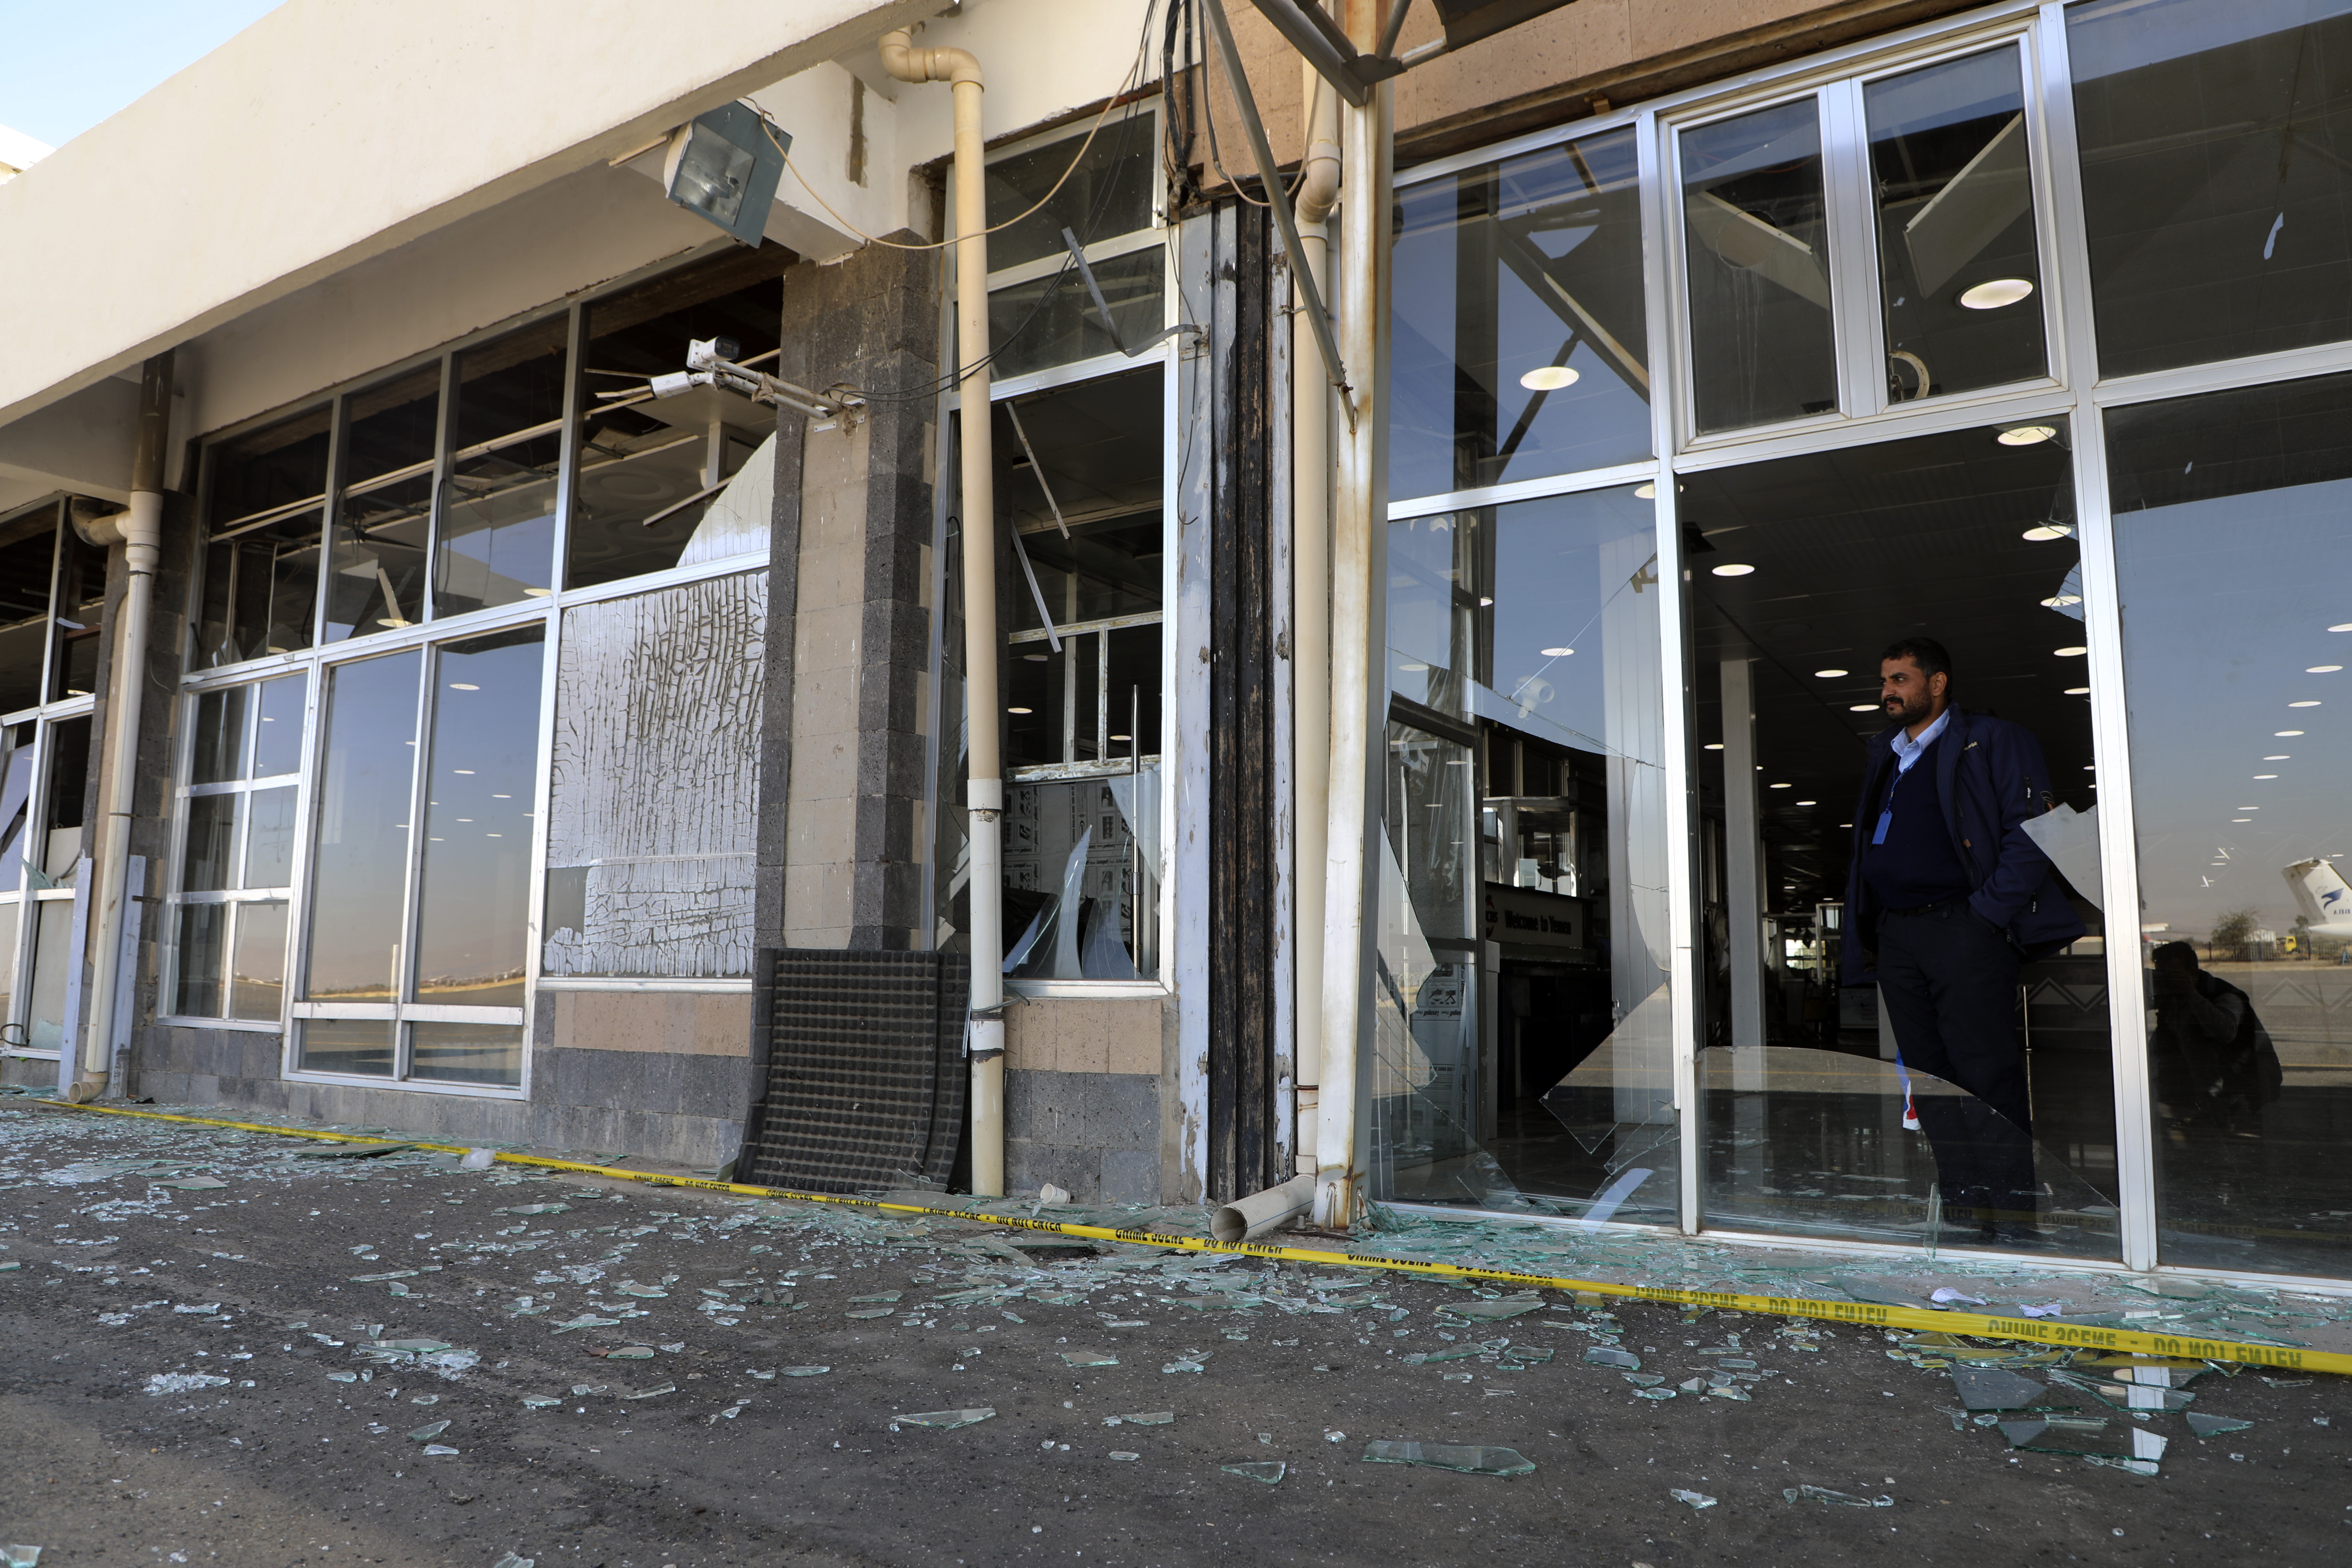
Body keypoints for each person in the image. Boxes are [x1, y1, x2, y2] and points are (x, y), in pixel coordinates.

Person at [1839, 637, 2085, 1240]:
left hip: (1963, 928)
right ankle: (1968, 1214)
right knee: (1929, 1080)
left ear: (1938, 683)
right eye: (1885, 681)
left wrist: (1985, 916)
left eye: (1899, 679)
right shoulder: (1890, 757)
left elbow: (2036, 832)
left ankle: (2016, 1222)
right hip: (1899, 936)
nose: (1887, 692)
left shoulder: (1993, 740)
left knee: (1986, 1076)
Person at [2148, 940, 2281, 1135]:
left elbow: (2225, 1032)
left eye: (2172, 975)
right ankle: (2210, 1112)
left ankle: (2220, 1115)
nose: (2166, 981)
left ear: (2192, 973)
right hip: (2218, 1081)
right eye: (2161, 974)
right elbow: (2160, 1045)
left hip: (2249, 1084)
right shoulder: (2174, 998)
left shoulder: (2223, 994)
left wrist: (2190, 994)